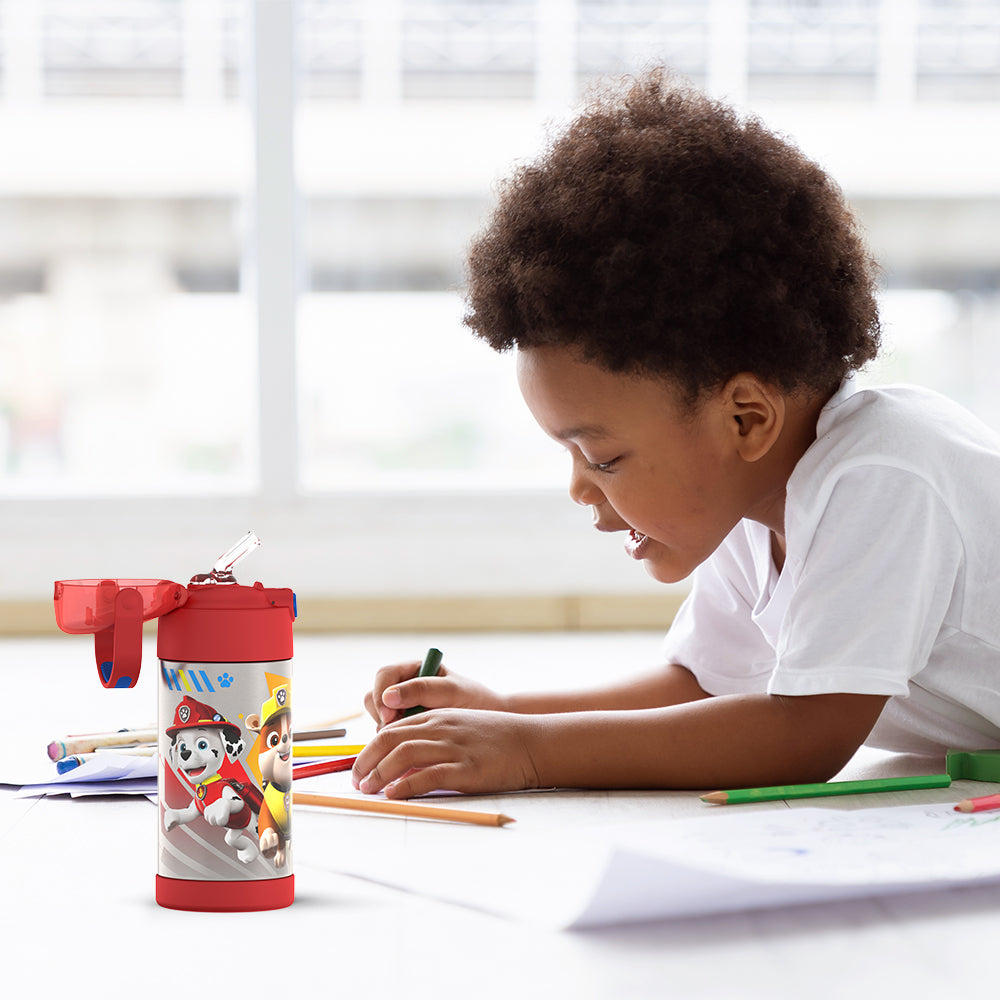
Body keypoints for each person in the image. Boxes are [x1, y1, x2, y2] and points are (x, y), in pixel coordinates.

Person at [352, 67, 1000, 800]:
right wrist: (501, 715)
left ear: (745, 418)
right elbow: (700, 687)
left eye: (602, 457)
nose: (578, 487)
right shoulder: (753, 501)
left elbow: (804, 735)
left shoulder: (884, 475)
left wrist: (528, 751)